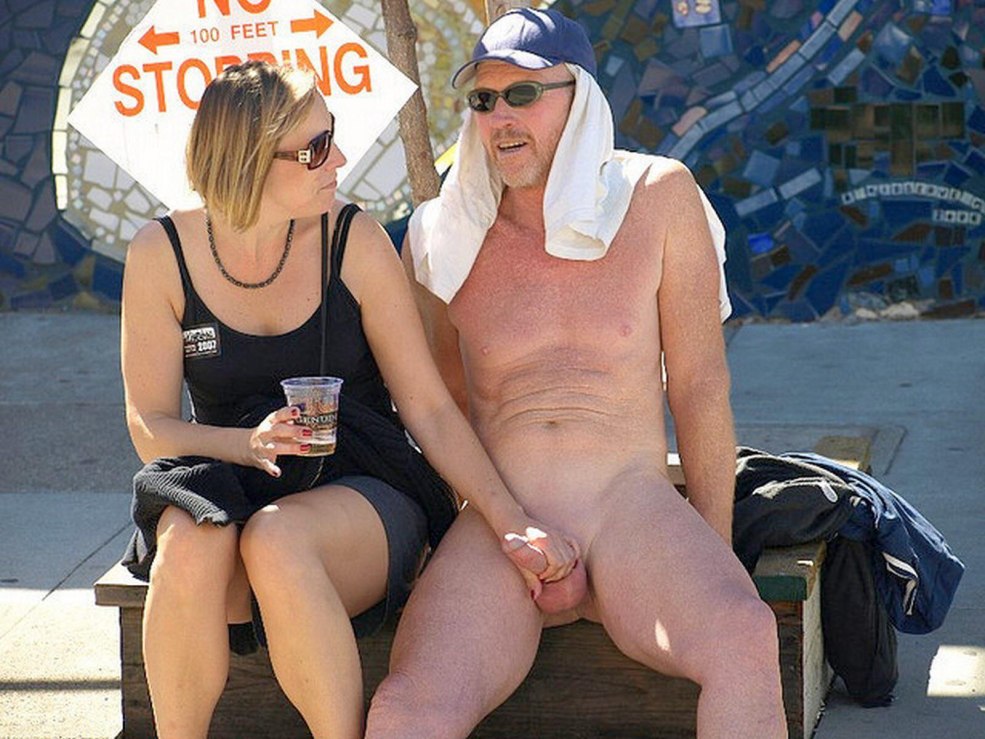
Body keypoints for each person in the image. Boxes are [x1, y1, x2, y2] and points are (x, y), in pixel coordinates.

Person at [119, 60, 578, 739]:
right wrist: (244, 443)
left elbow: (427, 407)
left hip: (360, 482)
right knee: (188, 543)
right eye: (314, 148)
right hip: (231, 482)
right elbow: (150, 428)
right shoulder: (162, 251)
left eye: (331, 135)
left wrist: (509, 519)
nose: (337, 159)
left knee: (277, 539)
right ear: (248, 160)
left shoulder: (351, 238)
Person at [365, 9, 788, 738]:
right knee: (405, 708)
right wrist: (500, 526)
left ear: (582, 99)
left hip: (631, 506)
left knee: (744, 634)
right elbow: (443, 406)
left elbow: (698, 387)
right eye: (483, 99)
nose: (499, 116)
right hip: (505, 518)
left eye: (523, 94)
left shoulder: (658, 197)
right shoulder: (443, 234)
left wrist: (712, 551)